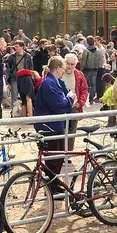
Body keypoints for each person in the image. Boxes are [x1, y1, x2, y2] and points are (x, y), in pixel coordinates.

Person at [33, 56, 74, 194]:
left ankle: (54, 184)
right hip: (50, 126)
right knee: (53, 159)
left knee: (58, 157)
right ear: (57, 68)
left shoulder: (53, 82)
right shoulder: (49, 83)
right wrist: (70, 98)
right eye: (63, 68)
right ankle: (52, 188)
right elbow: (59, 105)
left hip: (53, 125)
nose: (64, 70)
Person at [63, 53, 89, 149]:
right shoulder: (59, 72)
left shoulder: (79, 74)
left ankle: (69, 153)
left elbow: (85, 90)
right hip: (60, 106)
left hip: (74, 106)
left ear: (75, 64)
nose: (69, 66)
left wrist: (80, 103)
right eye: (67, 63)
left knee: (72, 131)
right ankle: (60, 153)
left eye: (72, 64)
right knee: (61, 130)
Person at [81, 36, 105, 103]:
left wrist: (81, 69)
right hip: (95, 69)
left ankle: (82, 98)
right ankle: (91, 99)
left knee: (84, 84)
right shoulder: (98, 51)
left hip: (87, 69)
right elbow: (101, 60)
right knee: (93, 84)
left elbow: (83, 61)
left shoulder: (86, 51)